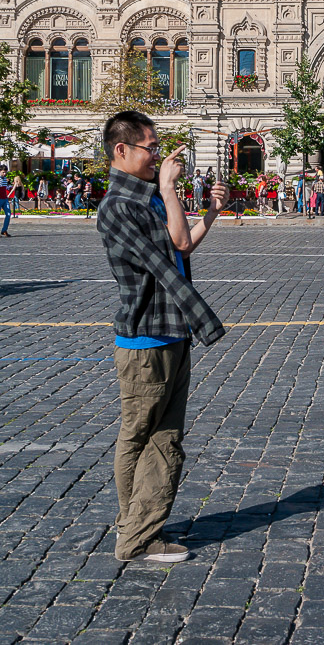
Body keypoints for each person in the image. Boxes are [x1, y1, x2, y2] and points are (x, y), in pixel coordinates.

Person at [97, 109, 229, 565]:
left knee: (158, 436)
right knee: (148, 436)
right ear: (122, 150)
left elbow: (181, 246)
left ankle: (137, 524)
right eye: (151, 148)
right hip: (147, 337)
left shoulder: (144, 197)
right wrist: (171, 189)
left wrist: (210, 212)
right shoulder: (120, 206)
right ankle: (136, 537)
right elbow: (168, 259)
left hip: (169, 331)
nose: (157, 155)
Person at [0, 165, 12, 237]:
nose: (5, 174)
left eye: (5, 172)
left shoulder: (5, 179)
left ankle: (4, 230)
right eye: (3, 172)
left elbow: (5, 188)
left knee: (8, 214)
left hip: (5, 199)